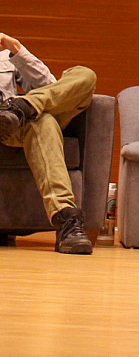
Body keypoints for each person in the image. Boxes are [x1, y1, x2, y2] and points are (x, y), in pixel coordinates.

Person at [0, 32, 97, 254]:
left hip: (13, 120)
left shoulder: (5, 55)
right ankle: (67, 221)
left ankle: (24, 107)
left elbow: (50, 87)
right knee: (42, 119)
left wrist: (17, 50)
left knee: (84, 75)